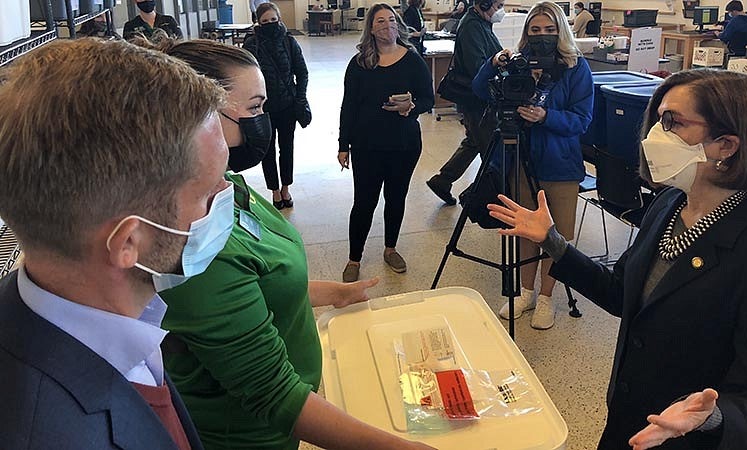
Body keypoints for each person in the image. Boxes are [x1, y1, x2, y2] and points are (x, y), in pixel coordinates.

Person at [140, 38, 433, 450]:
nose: (265, 122)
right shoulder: (195, 242)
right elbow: (274, 395)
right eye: (255, 108)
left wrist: (331, 293)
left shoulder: (227, 189)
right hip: (246, 435)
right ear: (196, 118)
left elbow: (255, 288)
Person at [487, 69, 747, 450]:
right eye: (658, 119)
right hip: (629, 419)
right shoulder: (669, 204)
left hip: (689, 441)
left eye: (673, 123)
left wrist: (711, 417)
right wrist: (553, 243)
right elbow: (622, 294)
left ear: (727, 145)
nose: (656, 135)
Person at [0, 38, 229, 448]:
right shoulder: (52, 434)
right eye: (208, 192)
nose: (226, 196)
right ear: (129, 241)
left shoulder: (113, 318)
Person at [472, 1, 593, 329]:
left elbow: (582, 121)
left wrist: (546, 116)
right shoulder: (519, 64)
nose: (542, 36)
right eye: (536, 30)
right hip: (521, 162)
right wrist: (494, 62)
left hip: (561, 166)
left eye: (550, 30)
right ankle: (525, 293)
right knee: (525, 231)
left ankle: (546, 299)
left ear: (561, 31)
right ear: (526, 33)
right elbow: (480, 90)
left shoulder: (575, 67)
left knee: (556, 237)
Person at [338, 3, 434, 282]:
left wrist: (410, 108)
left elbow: (427, 100)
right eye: (380, 21)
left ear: (398, 24)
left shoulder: (413, 59)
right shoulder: (359, 64)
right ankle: (354, 258)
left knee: (396, 198)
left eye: (391, 20)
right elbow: (348, 107)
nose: (387, 25)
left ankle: (390, 248)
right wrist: (343, 145)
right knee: (364, 202)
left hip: (403, 145)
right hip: (367, 145)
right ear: (371, 28)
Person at [425, 0, 504, 206]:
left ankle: (442, 180)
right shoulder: (472, 26)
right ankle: (485, 198)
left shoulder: (481, 23)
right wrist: (495, 63)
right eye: (498, 6)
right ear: (485, 4)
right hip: (475, 97)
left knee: (474, 141)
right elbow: (476, 67)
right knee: (489, 147)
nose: (500, 11)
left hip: (478, 97)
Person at [244, 2, 309, 210]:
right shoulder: (252, 45)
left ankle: (286, 188)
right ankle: (274, 190)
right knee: (267, 151)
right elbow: (244, 77)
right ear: (258, 22)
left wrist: (300, 98)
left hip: (288, 105)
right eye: (265, 21)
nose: (270, 24)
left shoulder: (289, 42)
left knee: (287, 148)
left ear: (279, 20)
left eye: (273, 20)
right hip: (263, 109)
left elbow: (302, 72)